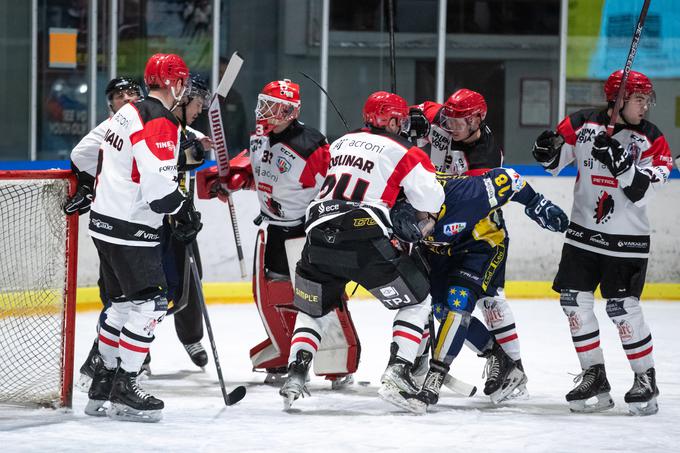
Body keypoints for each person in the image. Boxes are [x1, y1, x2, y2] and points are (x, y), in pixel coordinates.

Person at [278, 91, 444, 412]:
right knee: (419, 299)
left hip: (317, 235)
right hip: (364, 237)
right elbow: (431, 201)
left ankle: (297, 372)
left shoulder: (339, 142)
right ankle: (398, 370)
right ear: (394, 120)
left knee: (315, 308)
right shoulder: (405, 151)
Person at [197, 79, 360, 387]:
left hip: (305, 233)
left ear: (289, 111)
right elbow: (257, 166)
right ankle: (286, 349)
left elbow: (332, 186)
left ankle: (340, 358)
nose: (264, 112)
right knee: (272, 296)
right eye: (263, 104)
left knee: (319, 297)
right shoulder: (260, 135)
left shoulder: (311, 144)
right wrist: (236, 177)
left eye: (272, 107)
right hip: (273, 230)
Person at [532, 69, 672, 416]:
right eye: (639, 99)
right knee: (573, 302)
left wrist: (623, 166)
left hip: (627, 240)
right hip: (583, 235)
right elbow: (554, 162)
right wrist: (544, 150)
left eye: (646, 100)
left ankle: (645, 378)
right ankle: (594, 374)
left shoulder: (654, 140)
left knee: (621, 307)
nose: (645, 107)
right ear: (618, 99)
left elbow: (640, 192)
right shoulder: (582, 123)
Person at [84, 53, 194, 423]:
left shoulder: (126, 111)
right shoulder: (160, 120)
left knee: (120, 305)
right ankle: (126, 385)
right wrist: (182, 211)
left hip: (104, 222)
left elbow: (92, 155)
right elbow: (159, 189)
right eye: (183, 82)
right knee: (148, 306)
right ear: (176, 83)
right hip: (133, 227)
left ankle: (103, 381)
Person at [405, 168, 568, 413]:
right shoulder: (402, 198)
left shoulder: (465, 194)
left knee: (456, 307)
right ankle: (499, 357)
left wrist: (536, 203)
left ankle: (435, 378)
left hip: (481, 246)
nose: (420, 230)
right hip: (440, 252)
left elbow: (510, 179)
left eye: (422, 221)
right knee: (440, 310)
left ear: (434, 207)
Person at [409, 89, 528, 395]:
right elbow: (420, 108)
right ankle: (499, 357)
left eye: (460, 121)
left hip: (476, 235)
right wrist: (415, 120)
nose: (451, 125)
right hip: (440, 235)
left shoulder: (485, 158)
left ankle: (514, 368)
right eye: (448, 118)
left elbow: (461, 203)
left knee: (488, 301)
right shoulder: (444, 117)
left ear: (478, 119)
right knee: (439, 309)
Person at [64, 77, 146, 389]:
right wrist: (87, 184)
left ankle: (111, 362)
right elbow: (80, 154)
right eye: (118, 95)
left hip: (133, 222)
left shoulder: (150, 120)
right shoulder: (112, 126)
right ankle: (100, 363)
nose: (126, 98)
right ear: (109, 103)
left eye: (131, 93)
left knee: (130, 300)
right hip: (119, 223)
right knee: (121, 299)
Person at [163, 73, 212, 368]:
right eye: (198, 103)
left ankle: (192, 338)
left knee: (190, 278)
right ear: (183, 99)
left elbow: (195, 157)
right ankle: (139, 355)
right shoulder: (159, 125)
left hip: (180, 219)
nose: (200, 110)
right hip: (154, 222)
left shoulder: (187, 131)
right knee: (151, 288)